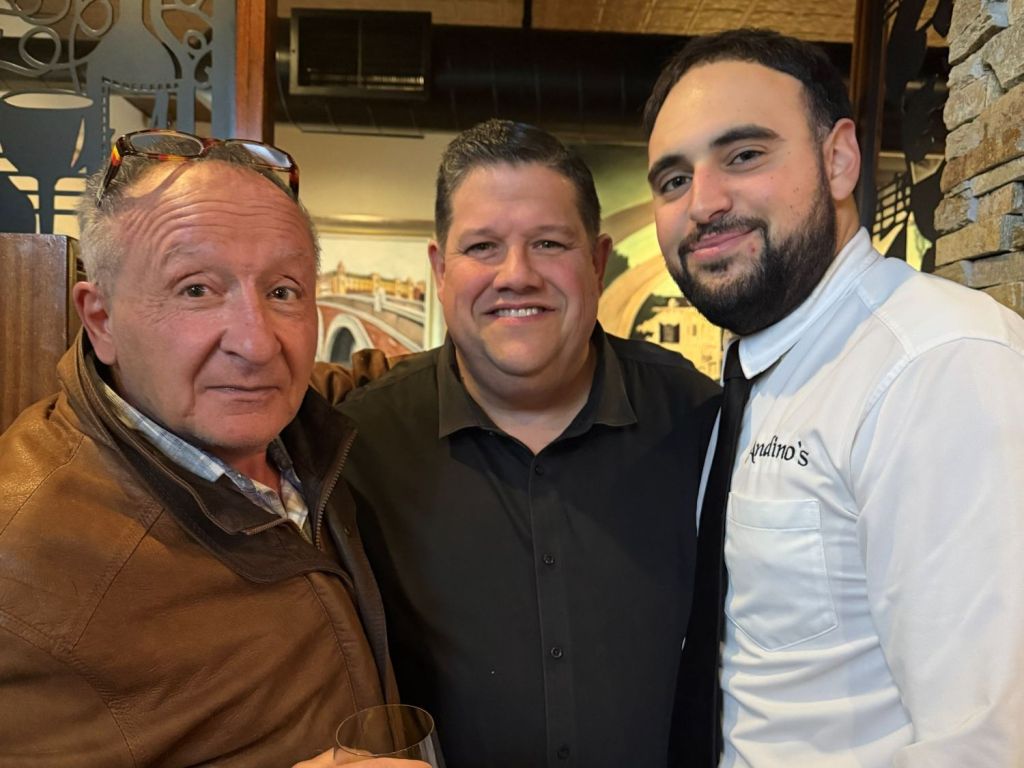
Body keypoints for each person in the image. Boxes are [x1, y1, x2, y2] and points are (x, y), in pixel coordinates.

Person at [644, 28, 1024, 767]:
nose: (704, 203)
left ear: (840, 159)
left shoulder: (937, 366)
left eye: (744, 155)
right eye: (673, 180)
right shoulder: (756, 367)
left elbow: (986, 746)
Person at [0, 130, 424, 768]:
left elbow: (380, 381)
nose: (256, 344)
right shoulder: (23, 544)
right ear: (101, 319)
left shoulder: (300, 427)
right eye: (196, 289)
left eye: (282, 292)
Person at [337, 119, 720, 768]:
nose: (516, 275)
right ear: (440, 269)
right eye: (483, 246)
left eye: (548, 243)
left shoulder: (699, 422)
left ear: (597, 262)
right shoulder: (360, 447)